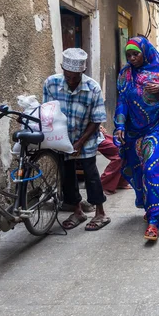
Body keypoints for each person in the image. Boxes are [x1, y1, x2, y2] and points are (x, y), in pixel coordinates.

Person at [114, 36, 159, 241]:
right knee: (139, 171)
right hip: (134, 133)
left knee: (154, 171)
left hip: (156, 129)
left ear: (145, 52)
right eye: (129, 55)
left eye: (136, 54)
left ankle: (154, 222)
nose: (132, 58)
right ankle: (150, 206)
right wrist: (120, 126)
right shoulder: (125, 74)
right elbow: (122, 101)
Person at [43, 48, 110, 231]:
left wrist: (80, 143)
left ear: (82, 72)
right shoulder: (51, 83)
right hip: (61, 138)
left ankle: (100, 213)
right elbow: (47, 112)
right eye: (68, 76)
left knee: (90, 174)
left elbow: (96, 120)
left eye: (76, 77)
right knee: (67, 175)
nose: (71, 80)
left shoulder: (93, 88)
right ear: (62, 69)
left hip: (86, 137)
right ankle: (77, 211)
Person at [98, 125, 131, 195]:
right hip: (95, 138)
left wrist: (100, 127)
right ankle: (104, 185)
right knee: (119, 156)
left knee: (127, 149)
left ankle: (120, 182)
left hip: (102, 136)